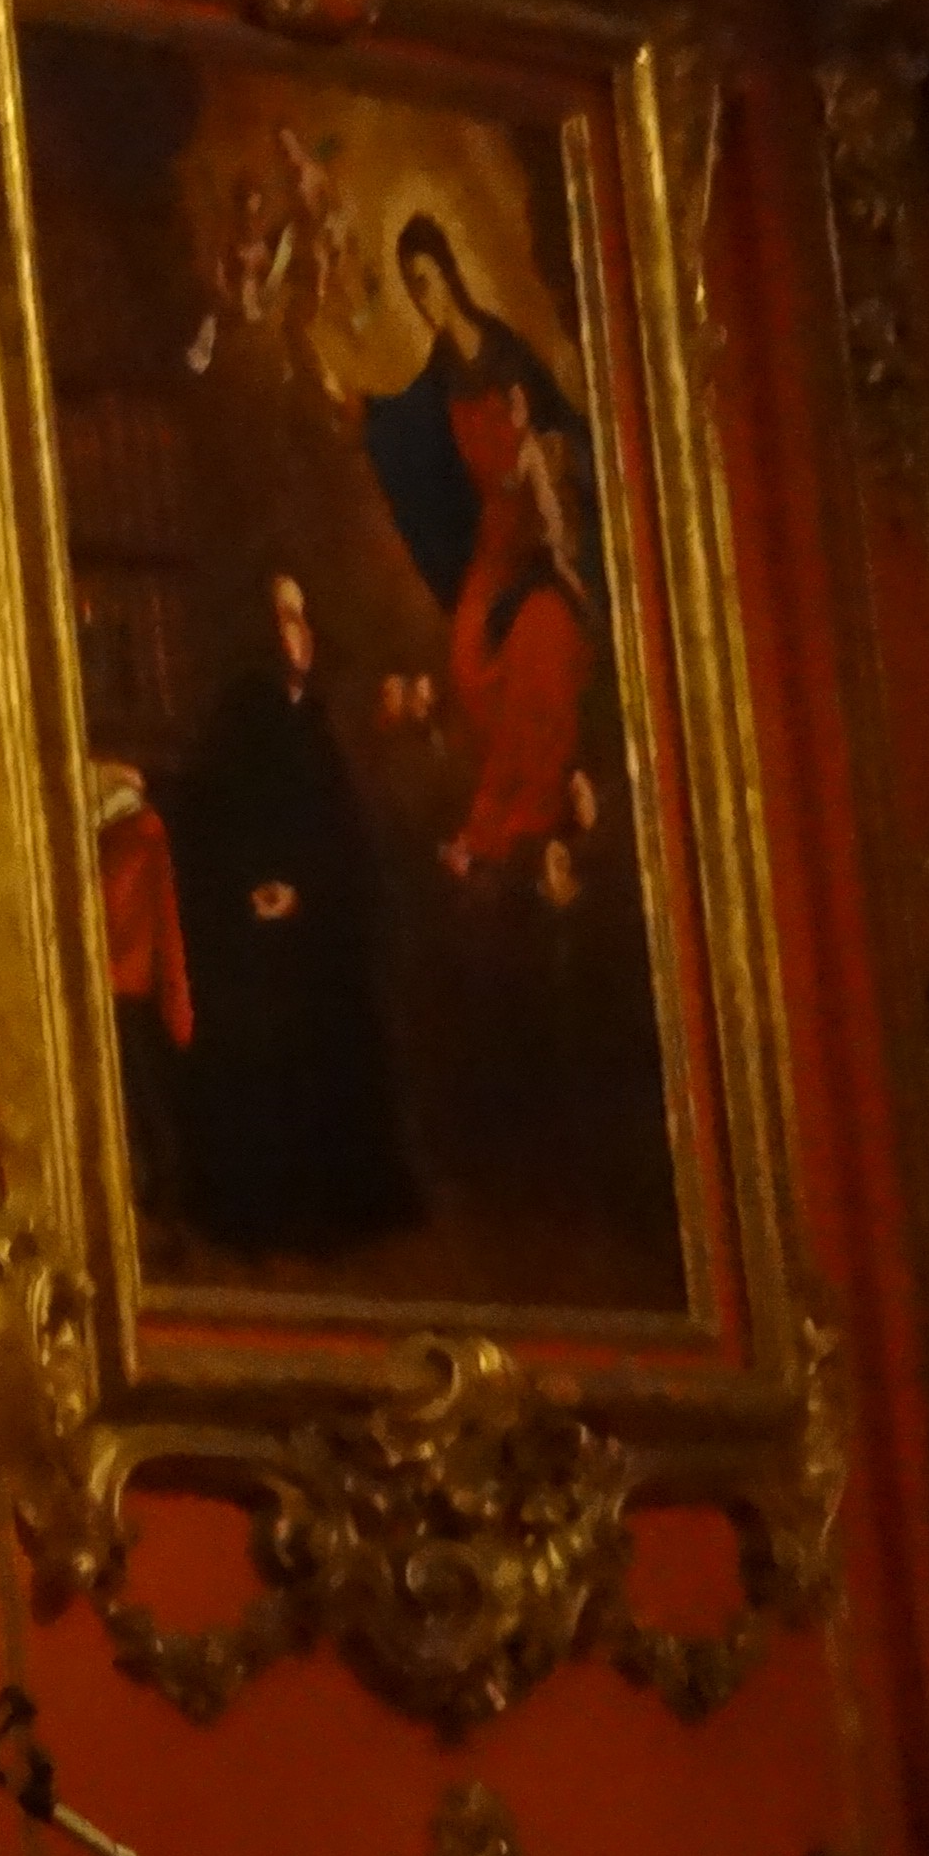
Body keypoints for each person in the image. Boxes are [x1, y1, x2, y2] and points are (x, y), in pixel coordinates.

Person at [155, 573, 423, 1261]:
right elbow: (215, 815)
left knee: (340, 1010)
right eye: (282, 618)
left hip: (311, 918)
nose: (295, 634)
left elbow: (338, 833)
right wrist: (257, 887)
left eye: (301, 618)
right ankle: (264, 1211)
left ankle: (338, 1204)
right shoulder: (242, 717)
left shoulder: (316, 719)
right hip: (249, 928)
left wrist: (304, 890)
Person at [358, 216, 602, 880]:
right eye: (411, 287)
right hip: (494, 544)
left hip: (537, 531)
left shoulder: (504, 352)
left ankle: (524, 816)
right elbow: (409, 434)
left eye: (426, 280)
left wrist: (551, 474)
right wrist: (363, 412)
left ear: (448, 273)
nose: (422, 298)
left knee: (541, 638)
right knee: (468, 663)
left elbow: (565, 432)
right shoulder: (439, 377)